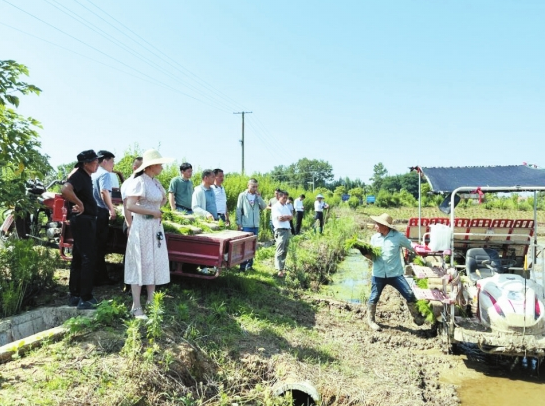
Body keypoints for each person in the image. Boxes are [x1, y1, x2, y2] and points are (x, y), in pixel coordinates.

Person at [124, 149, 173, 319]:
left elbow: (161, 199)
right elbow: (130, 205)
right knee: (139, 263)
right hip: (142, 226)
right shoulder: (140, 182)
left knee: (152, 262)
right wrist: (152, 212)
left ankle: (151, 302)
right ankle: (136, 306)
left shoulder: (155, 182)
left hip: (154, 227)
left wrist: (157, 211)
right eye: (160, 164)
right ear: (151, 166)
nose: (162, 167)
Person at [366, 213, 426, 331]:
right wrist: (364, 252)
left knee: (409, 294)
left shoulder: (398, 237)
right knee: (374, 297)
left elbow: (411, 246)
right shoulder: (374, 238)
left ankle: (417, 318)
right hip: (378, 274)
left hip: (395, 274)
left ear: (385, 226)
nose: (375, 226)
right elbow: (371, 257)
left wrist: (423, 251)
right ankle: (371, 320)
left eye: (377, 224)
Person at [61, 150, 100, 310]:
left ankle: (75, 295)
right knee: (88, 257)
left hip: (83, 221)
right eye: (94, 161)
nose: (97, 164)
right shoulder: (78, 174)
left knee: (78, 257)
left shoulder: (84, 175)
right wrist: (80, 204)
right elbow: (65, 190)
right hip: (83, 221)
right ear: (86, 163)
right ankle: (86, 298)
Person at [92, 150, 117, 286]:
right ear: (105, 161)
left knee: (93, 246)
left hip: (90, 213)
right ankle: (101, 278)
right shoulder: (105, 174)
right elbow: (104, 191)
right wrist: (111, 209)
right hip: (100, 212)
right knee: (100, 247)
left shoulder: (92, 173)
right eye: (112, 161)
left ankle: (94, 277)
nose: (113, 165)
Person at [236, 178, 267, 271]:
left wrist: (259, 197)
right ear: (248, 185)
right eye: (253, 186)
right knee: (244, 246)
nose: (255, 188)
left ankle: (250, 266)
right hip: (246, 224)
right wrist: (239, 223)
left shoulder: (257, 197)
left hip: (255, 225)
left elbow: (264, 207)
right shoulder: (242, 195)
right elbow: (238, 209)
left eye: (256, 186)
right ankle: (242, 266)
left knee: (253, 246)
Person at [271, 190, 293, 278]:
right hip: (280, 230)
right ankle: (279, 269)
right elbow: (280, 218)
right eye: (284, 198)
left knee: (285, 249)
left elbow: (291, 217)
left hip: (287, 229)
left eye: (286, 198)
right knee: (280, 250)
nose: (285, 199)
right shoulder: (276, 206)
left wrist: (286, 217)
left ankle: (282, 268)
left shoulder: (286, 206)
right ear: (279, 197)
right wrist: (286, 217)